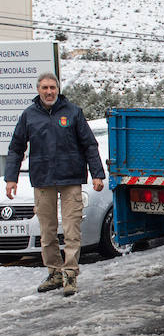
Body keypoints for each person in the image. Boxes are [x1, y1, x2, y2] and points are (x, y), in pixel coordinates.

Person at [4, 72, 105, 297]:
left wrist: (97, 174)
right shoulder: (28, 115)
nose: (49, 92)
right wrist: (10, 178)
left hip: (71, 179)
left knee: (71, 230)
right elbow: (16, 147)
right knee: (47, 232)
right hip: (43, 180)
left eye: (52, 87)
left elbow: (89, 145)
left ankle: (70, 273)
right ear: (38, 90)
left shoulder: (73, 112)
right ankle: (54, 272)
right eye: (45, 88)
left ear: (58, 89)